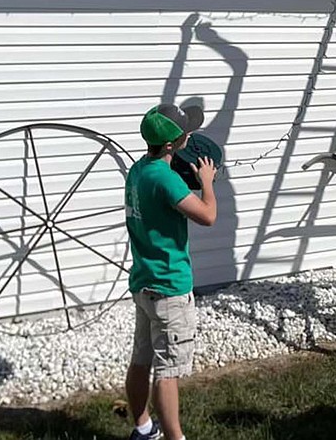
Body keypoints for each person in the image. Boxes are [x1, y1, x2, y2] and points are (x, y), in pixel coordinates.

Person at [124, 103, 218, 440]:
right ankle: (175, 437)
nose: (189, 135)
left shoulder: (138, 170)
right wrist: (207, 181)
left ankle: (143, 428)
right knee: (168, 372)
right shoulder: (166, 179)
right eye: (184, 133)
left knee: (141, 360)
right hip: (169, 287)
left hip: (144, 282)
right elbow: (207, 215)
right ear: (170, 145)